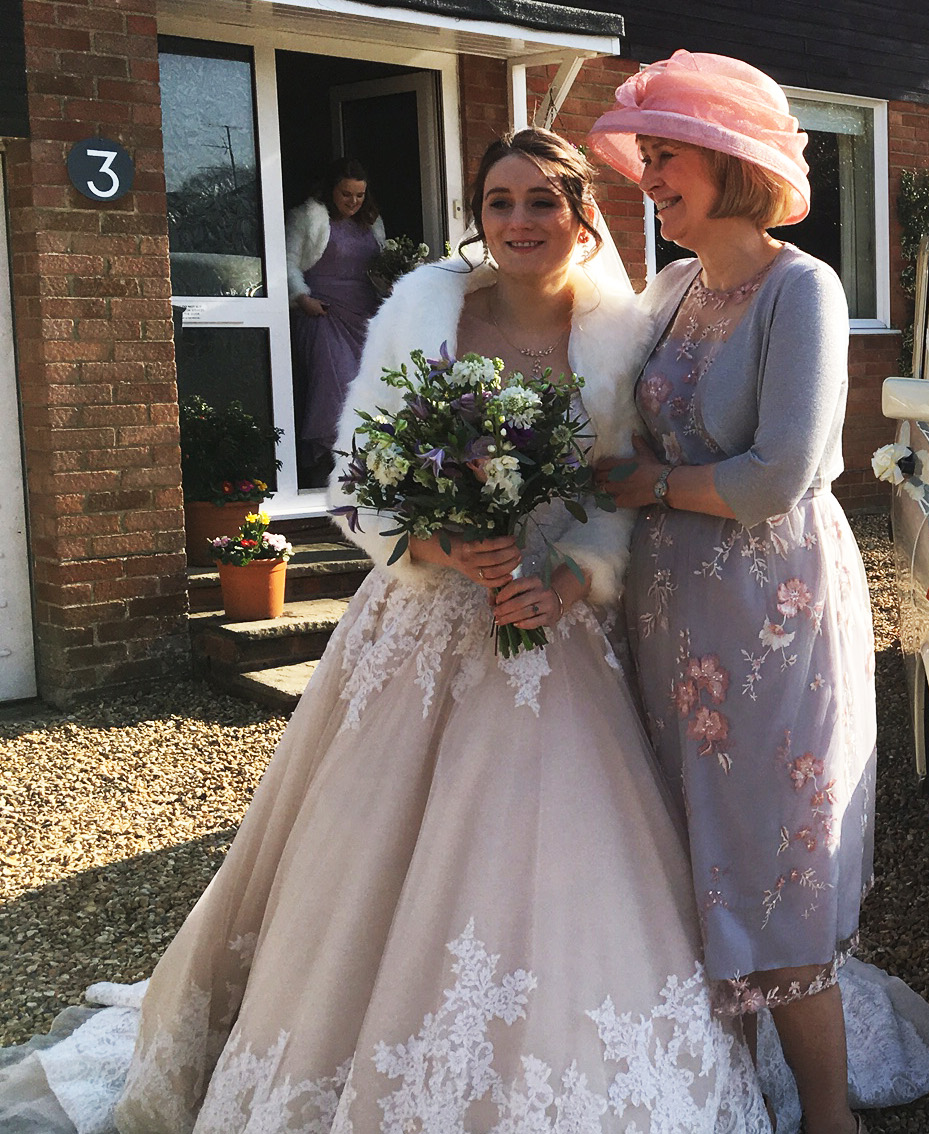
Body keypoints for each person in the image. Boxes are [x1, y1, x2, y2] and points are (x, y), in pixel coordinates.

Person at [104, 129, 770, 1133]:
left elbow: (619, 485)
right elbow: (363, 477)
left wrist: (571, 579)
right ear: (477, 215)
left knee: (565, 837)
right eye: (499, 203)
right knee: (362, 848)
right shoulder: (426, 308)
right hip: (421, 611)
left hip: (549, 619)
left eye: (542, 201)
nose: (519, 223)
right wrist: (437, 546)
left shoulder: (622, 332)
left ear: (582, 213)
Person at [588, 52, 885, 1134]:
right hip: (670, 607)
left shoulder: (802, 288)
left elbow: (778, 474)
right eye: (647, 161)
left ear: (728, 164)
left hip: (770, 609)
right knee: (695, 843)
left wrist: (653, 485)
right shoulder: (670, 289)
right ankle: (731, 1093)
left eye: (666, 161)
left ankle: (826, 1113)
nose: (649, 180)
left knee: (770, 850)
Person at [286, 157, 385, 486]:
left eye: (360, 196)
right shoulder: (308, 217)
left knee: (370, 392)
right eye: (346, 195)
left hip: (365, 320)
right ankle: (327, 468)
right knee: (337, 389)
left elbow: (382, 266)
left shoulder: (372, 223)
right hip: (324, 315)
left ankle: (364, 472)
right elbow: (287, 262)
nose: (354, 203)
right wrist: (302, 297)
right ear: (331, 191)